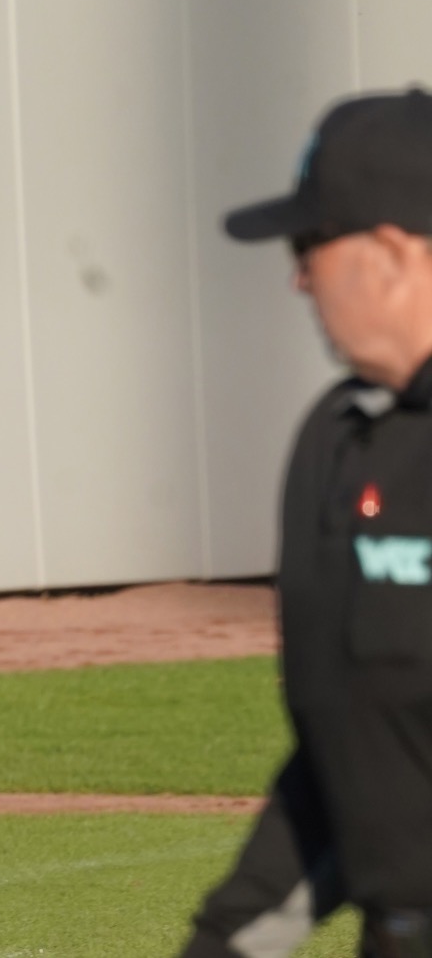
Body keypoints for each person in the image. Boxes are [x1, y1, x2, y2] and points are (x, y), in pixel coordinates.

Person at [182, 90, 432, 958]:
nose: (297, 277)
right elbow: (350, 753)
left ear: (391, 251)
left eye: (308, 244)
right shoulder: (339, 440)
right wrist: (228, 940)